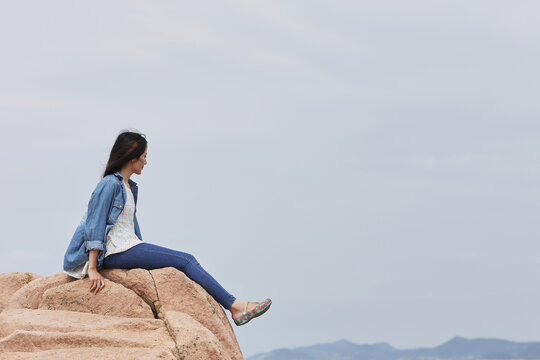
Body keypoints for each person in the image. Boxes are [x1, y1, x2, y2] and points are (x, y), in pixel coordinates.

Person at [63, 130, 271, 326]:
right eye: (143, 156)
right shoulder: (110, 184)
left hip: (127, 246)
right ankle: (236, 306)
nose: (146, 161)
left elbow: (129, 228)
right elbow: (95, 224)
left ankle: (235, 306)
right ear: (132, 157)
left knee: (181, 260)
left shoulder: (129, 187)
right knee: (186, 260)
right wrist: (92, 268)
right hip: (115, 250)